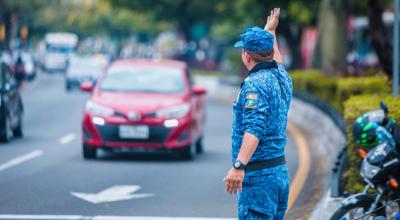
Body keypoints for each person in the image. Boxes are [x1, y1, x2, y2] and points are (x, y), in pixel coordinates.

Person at [223, 8, 292, 219]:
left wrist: (239, 165)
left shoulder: (255, 84)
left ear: (246, 55)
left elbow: (254, 128)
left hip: (258, 178)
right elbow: (277, 59)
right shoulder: (282, 77)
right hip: (279, 173)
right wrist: (270, 32)